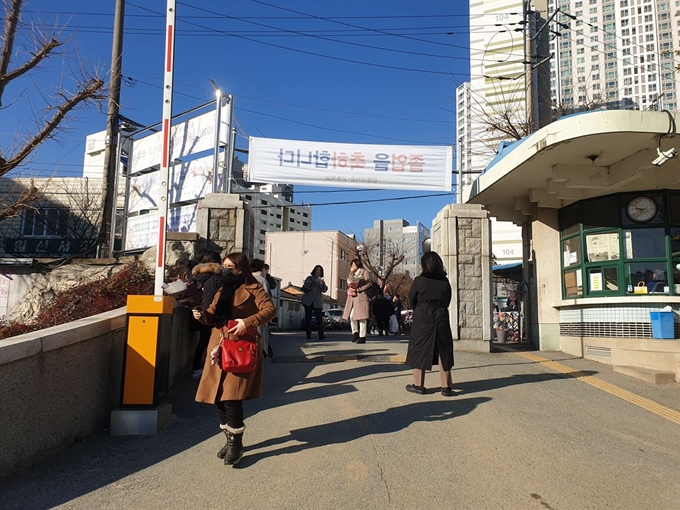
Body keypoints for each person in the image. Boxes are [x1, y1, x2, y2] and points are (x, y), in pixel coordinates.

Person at [192, 252, 276, 466]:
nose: (225, 269)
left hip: (239, 345)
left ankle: (236, 443)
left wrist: (247, 322)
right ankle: (230, 439)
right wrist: (201, 316)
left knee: (231, 396)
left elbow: (270, 310)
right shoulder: (223, 288)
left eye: (230, 266)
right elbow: (211, 315)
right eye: (224, 265)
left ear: (240, 267)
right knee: (218, 396)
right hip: (218, 344)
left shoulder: (254, 287)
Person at [405, 251, 455, 397]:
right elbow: (448, 300)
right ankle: (446, 386)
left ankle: (418, 385)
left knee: (419, 348)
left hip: (423, 315)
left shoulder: (419, 280)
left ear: (424, 265)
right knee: (443, 350)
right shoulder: (444, 281)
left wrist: (420, 309)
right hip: (441, 315)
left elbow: (411, 299)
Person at [188, 248, 224, 380]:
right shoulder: (217, 277)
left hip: (196, 312)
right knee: (214, 341)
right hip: (212, 313)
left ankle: (196, 368)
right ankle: (212, 369)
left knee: (202, 342)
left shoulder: (195, 276)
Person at [342, 258, 373, 344]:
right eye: (351, 264)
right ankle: (355, 332)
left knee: (362, 317)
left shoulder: (364, 272)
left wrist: (358, 289)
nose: (352, 266)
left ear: (358, 265)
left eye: (353, 264)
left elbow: (369, 283)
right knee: (352, 316)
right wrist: (351, 287)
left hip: (361, 296)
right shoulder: (352, 273)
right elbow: (349, 282)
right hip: (352, 297)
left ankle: (362, 336)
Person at [250, 258, 271, 358]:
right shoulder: (263, 281)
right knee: (260, 337)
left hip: (247, 314)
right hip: (260, 313)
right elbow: (266, 299)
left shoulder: (246, 279)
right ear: (262, 268)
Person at [301, 265, 328, 340]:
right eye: (317, 270)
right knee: (308, 318)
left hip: (317, 301)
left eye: (320, 271)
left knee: (319, 318)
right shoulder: (309, 278)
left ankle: (321, 334)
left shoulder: (321, 280)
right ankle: (308, 333)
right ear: (314, 271)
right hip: (308, 301)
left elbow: (324, 290)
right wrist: (314, 282)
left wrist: (323, 283)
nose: (318, 272)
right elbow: (306, 285)